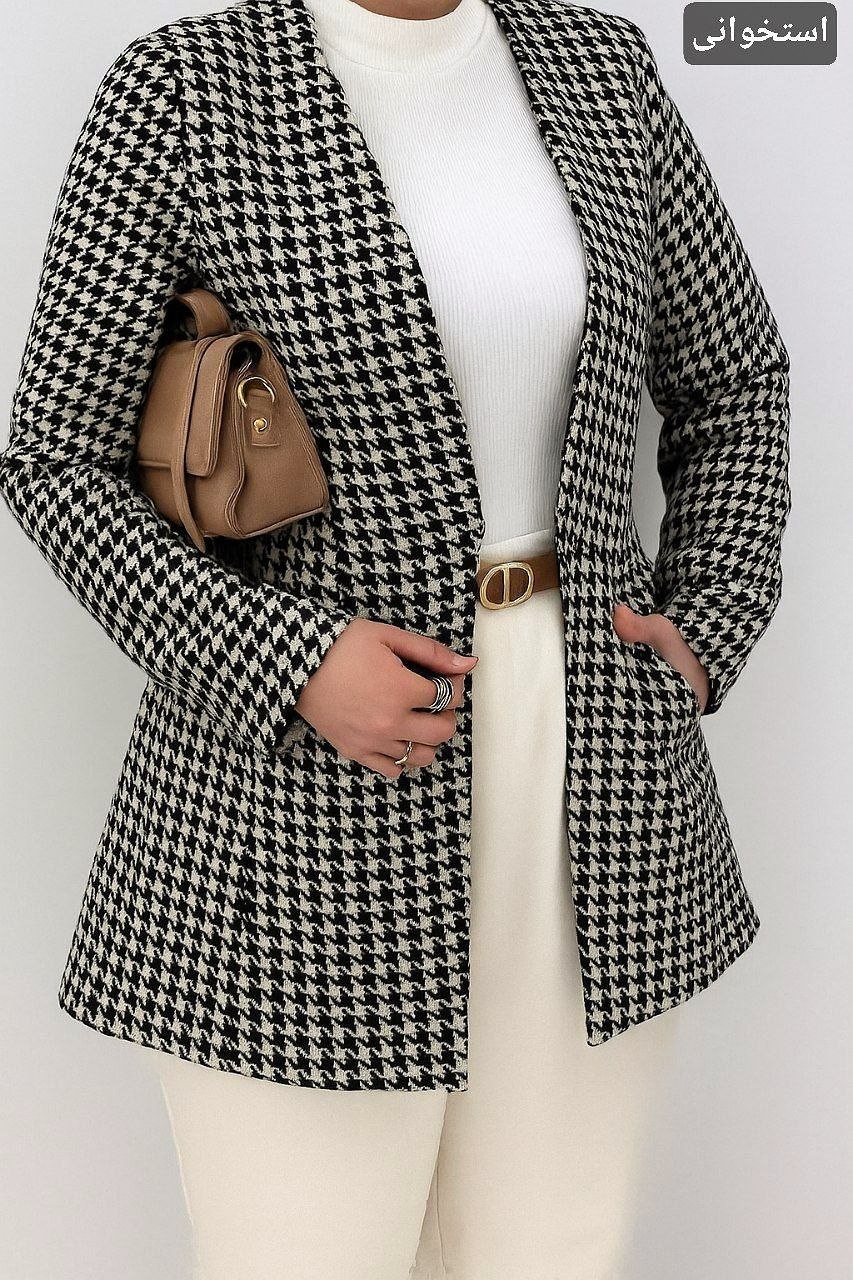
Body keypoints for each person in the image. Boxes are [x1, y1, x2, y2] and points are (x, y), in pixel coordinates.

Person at [0, 0, 791, 1276]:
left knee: (549, 1252)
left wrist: (708, 615)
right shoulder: (185, 88)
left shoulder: (600, 67)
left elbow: (734, 378)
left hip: (598, 774)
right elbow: (56, 459)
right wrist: (286, 660)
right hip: (297, 805)